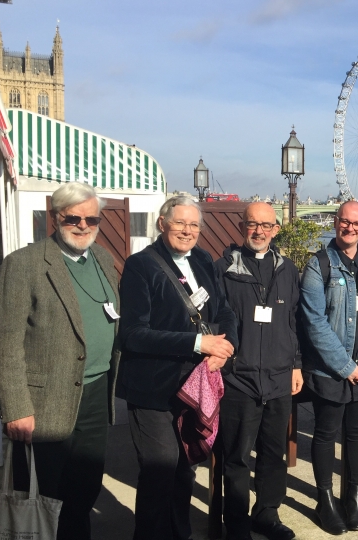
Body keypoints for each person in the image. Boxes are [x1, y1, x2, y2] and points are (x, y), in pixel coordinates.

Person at [0, 183, 120, 540]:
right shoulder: (24, 264)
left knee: (85, 488)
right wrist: (16, 408)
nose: (82, 225)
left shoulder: (104, 259)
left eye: (91, 218)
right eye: (73, 218)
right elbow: (4, 343)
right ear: (54, 217)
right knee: (43, 495)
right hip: (43, 402)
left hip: (94, 393)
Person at [118, 196, 238, 540]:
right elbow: (134, 334)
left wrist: (225, 350)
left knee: (185, 470)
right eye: (180, 223)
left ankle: (179, 534)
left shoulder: (202, 259)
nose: (187, 231)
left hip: (195, 386)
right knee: (159, 470)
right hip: (153, 389)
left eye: (194, 225)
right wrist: (199, 344)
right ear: (162, 224)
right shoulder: (141, 265)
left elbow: (225, 313)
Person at [298, 201, 358, 535]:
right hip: (331, 371)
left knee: (357, 434)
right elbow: (314, 321)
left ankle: (352, 496)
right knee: (326, 433)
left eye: (357, 223)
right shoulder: (318, 265)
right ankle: (324, 500)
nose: (350, 228)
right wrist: (345, 366)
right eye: (344, 221)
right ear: (336, 222)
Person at [214, 202, 301, 540]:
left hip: (279, 379)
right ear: (241, 226)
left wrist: (297, 365)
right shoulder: (223, 270)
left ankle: (266, 513)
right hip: (239, 379)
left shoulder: (288, 269)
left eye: (266, 225)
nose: (259, 231)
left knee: (272, 453)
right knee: (236, 457)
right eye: (252, 224)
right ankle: (235, 525)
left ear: (276, 229)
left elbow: (295, 322)